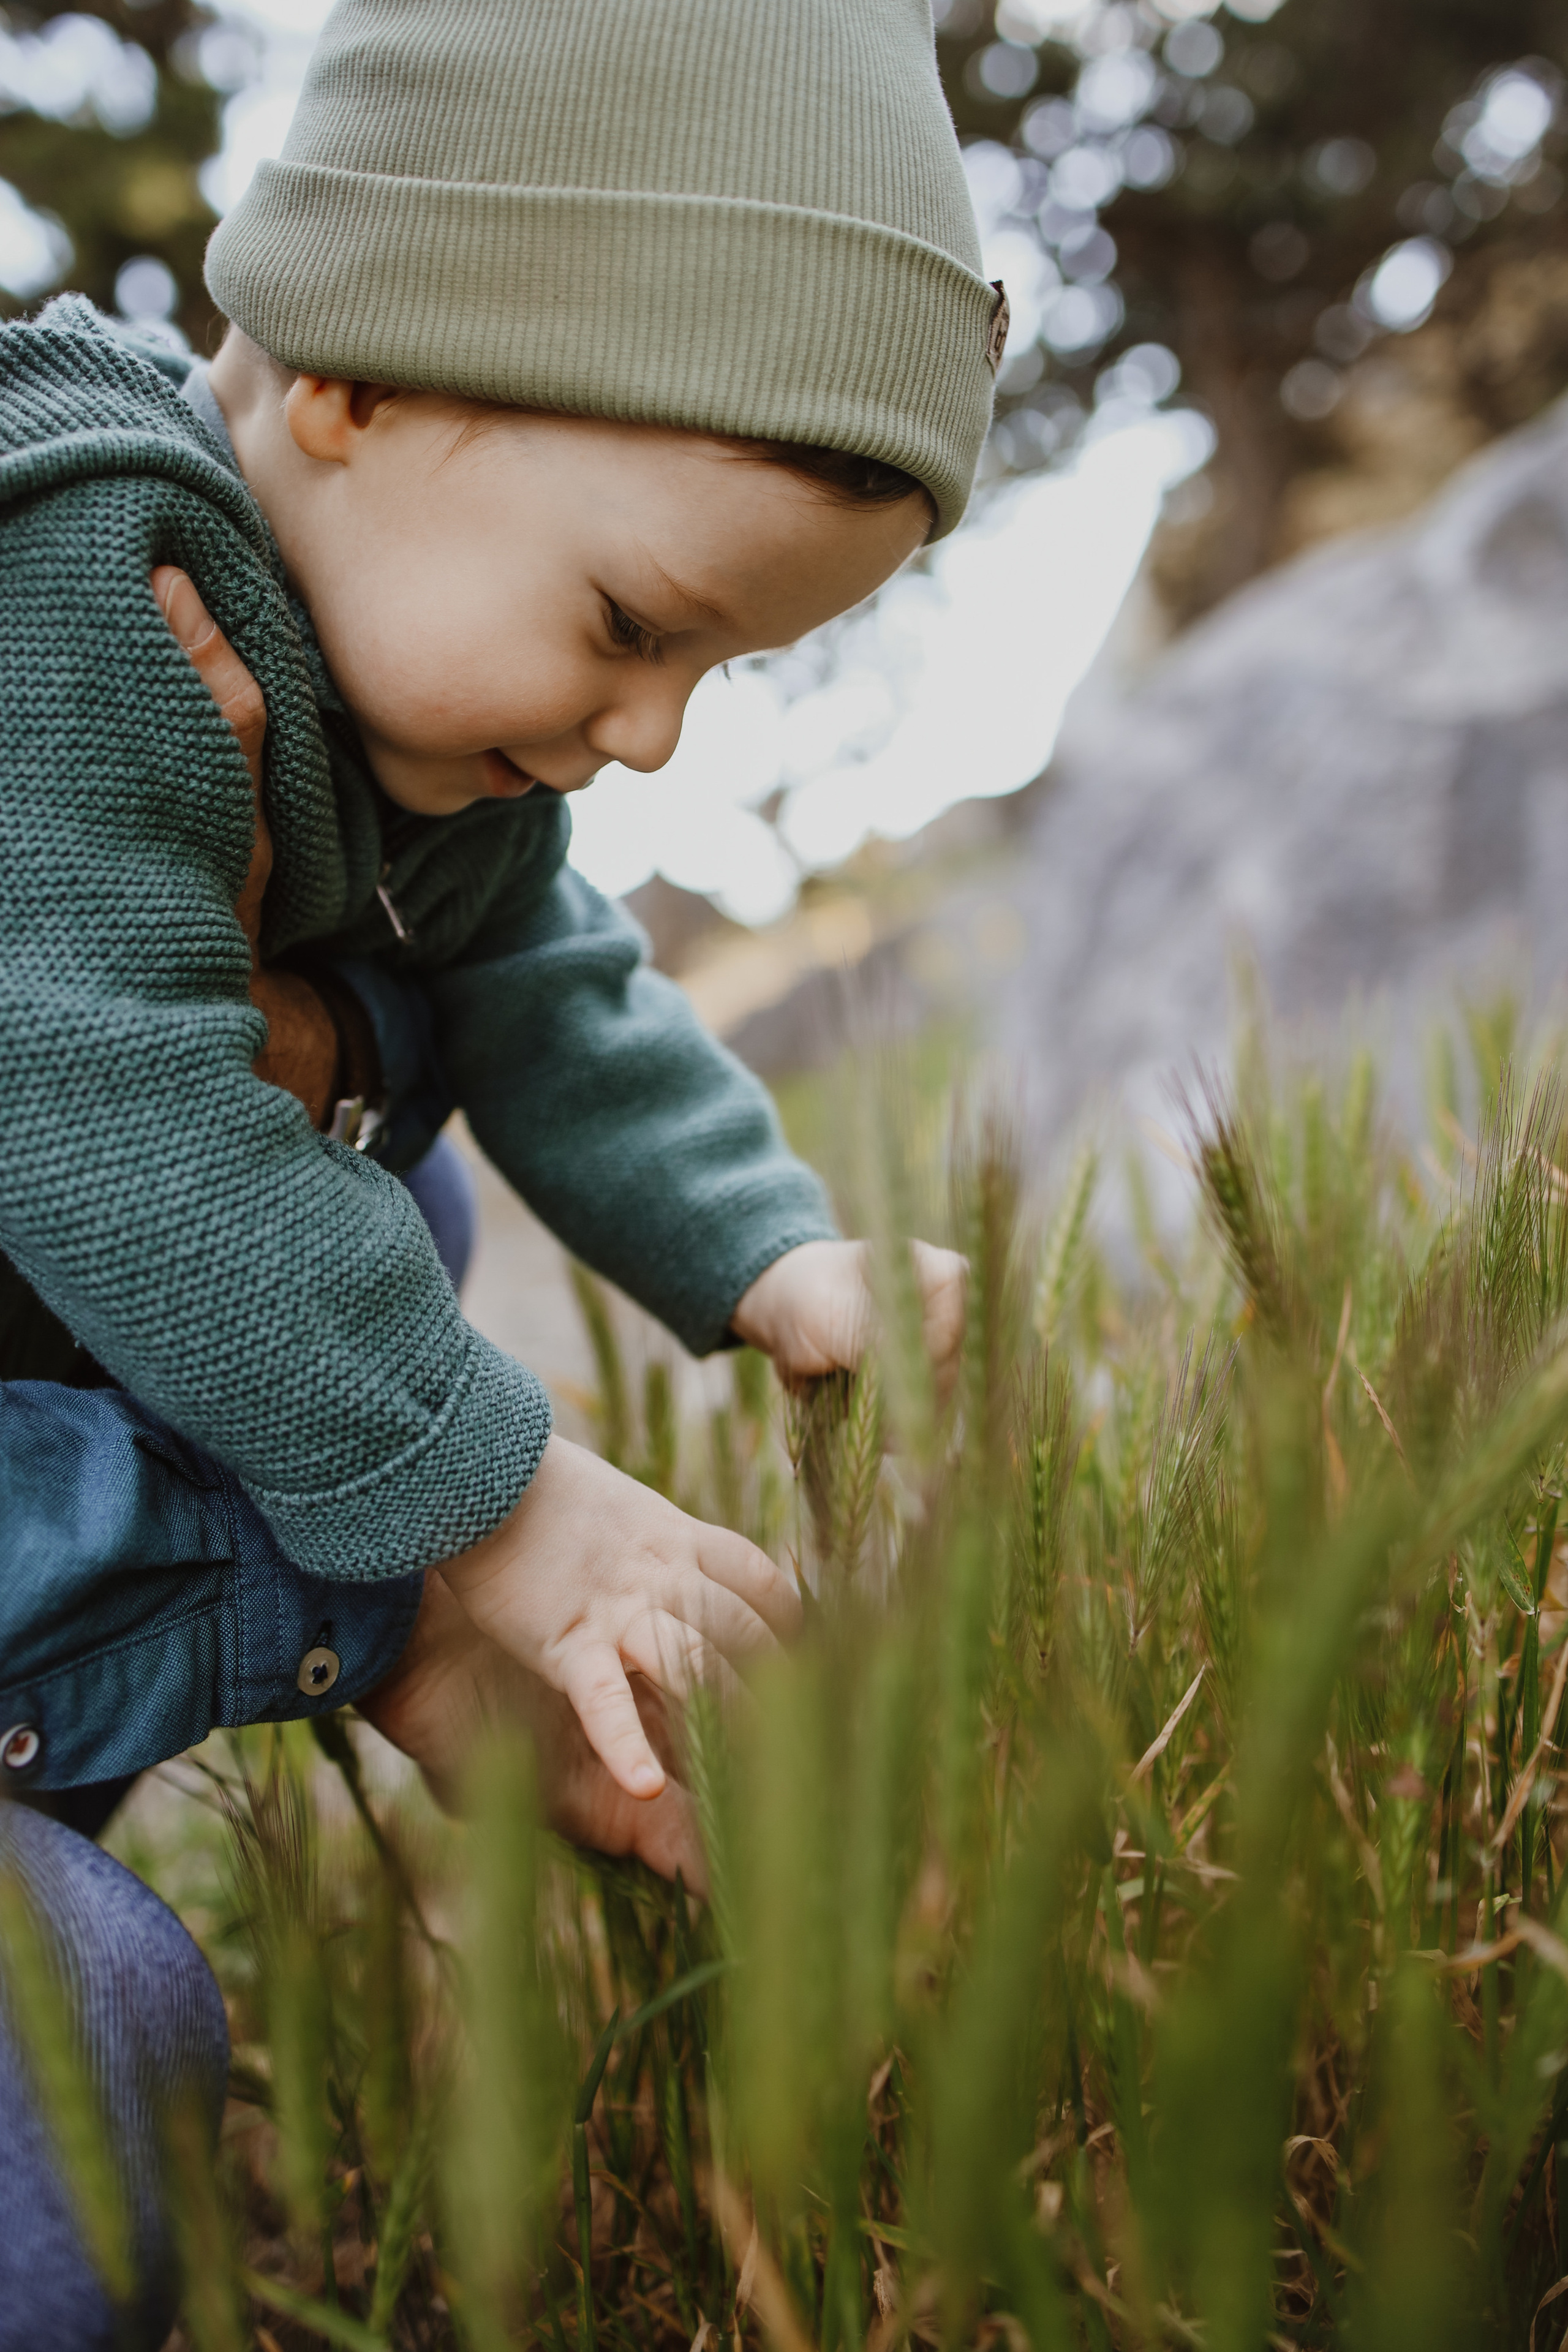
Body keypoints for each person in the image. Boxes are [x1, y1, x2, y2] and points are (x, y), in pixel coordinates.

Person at [0, 0, 1000, 2335]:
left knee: (389, 1201)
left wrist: (767, 1252)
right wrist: (490, 1515)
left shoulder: (427, 740)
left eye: (713, 677)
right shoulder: (84, 578)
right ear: (345, 383)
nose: (646, 734)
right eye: (638, 622)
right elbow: (94, 1094)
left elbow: (566, 993)